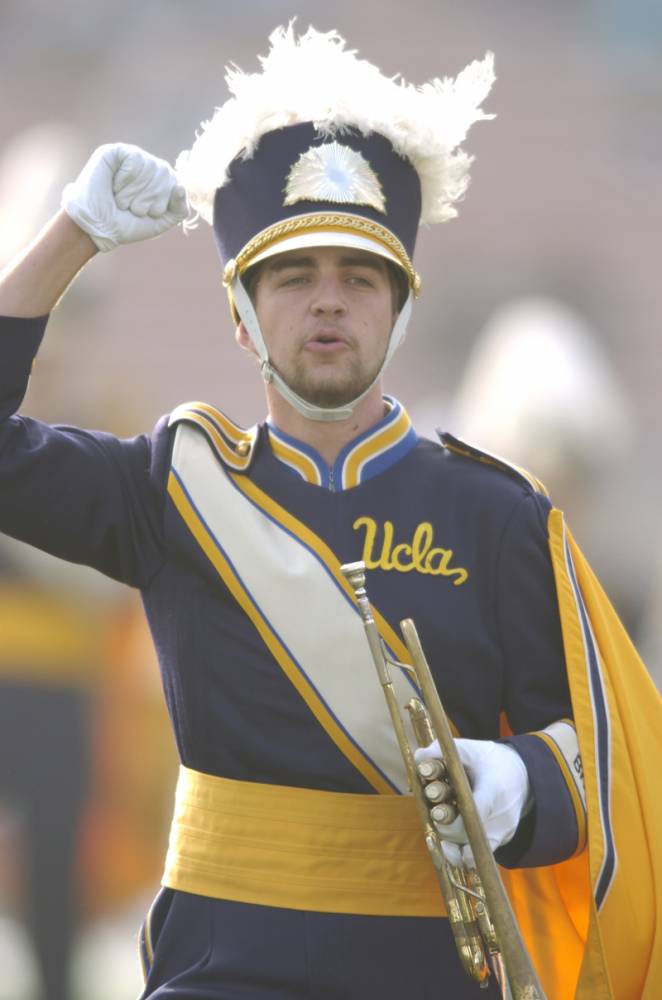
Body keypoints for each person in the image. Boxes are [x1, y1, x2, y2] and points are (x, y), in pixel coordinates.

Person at [0, 25, 660, 1000]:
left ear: (398, 309)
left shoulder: (501, 514)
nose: (326, 303)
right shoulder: (173, 485)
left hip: (432, 972)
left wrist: (515, 781)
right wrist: (67, 241)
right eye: (292, 276)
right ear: (240, 311)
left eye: (359, 278)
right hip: (214, 970)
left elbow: (598, 767)